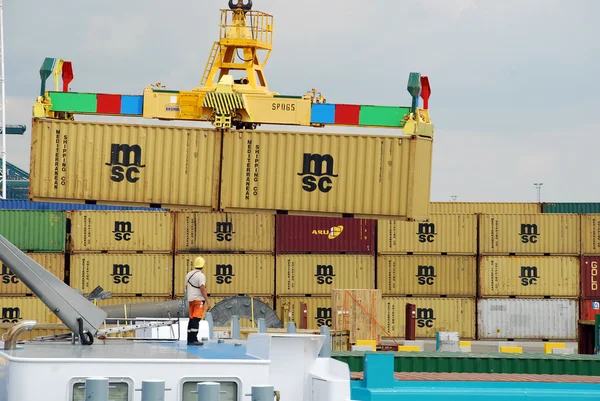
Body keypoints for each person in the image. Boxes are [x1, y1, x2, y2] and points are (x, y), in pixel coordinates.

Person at [185, 256, 211, 345]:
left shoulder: (188, 274)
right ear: (203, 265)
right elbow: (202, 288)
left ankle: (189, 339)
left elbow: (186, 287)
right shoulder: (201, 275)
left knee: (191, 319)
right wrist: (207, 301)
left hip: (191, 300)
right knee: (196, 319)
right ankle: (194, 339)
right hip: (199, 300)